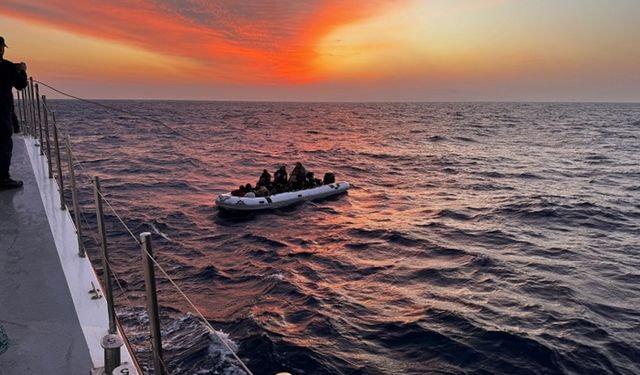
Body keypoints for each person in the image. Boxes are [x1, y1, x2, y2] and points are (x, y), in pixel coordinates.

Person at [0, 36, 28, 190]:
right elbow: (21, 85)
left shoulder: (8, 67)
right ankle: (3, 179)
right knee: (4, 144)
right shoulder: (7, 67)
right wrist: (22, 71)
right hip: (2, 112)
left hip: (4, 111)